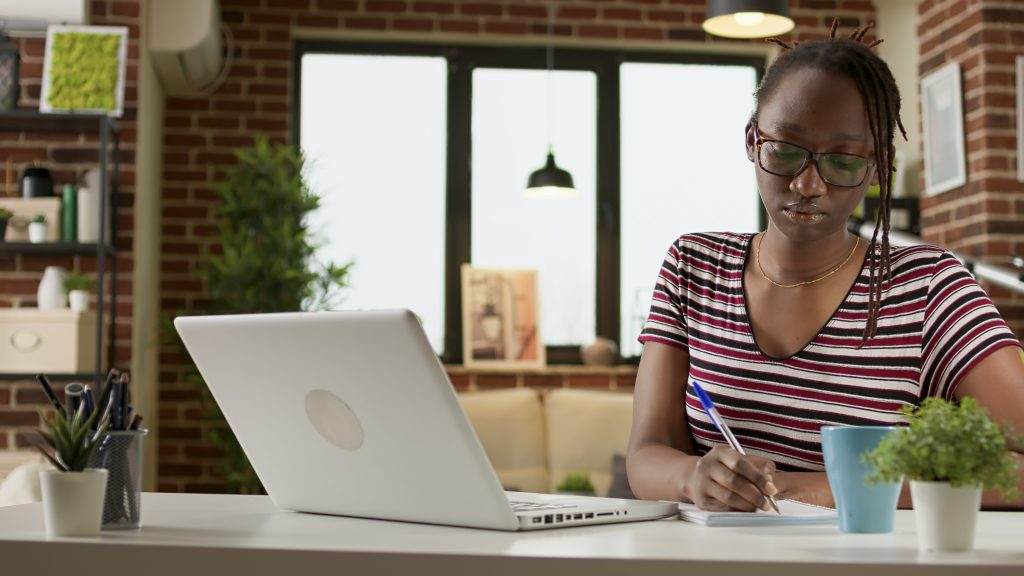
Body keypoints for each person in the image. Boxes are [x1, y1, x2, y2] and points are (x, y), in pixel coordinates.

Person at [626, 21, 1024, 512]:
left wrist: (810, 487)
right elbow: (647, 454)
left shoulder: (929, 289)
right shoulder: (694, 267)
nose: (807, 184)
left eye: (843, 161)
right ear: (752, 140)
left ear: (878, 165)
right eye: (785, 151)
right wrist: (692, 477)